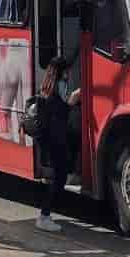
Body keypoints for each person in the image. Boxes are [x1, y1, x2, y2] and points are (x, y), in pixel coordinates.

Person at [36, 55, 81, 234]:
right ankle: (44, 217)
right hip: (55, 140)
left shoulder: (49, 87)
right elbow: (60, 112)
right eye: (67, 71)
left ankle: (45, 215)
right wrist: (73, 99)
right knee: (58, 178)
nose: (69, 74)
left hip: (52, 139)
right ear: (62, 72)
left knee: (59, 176)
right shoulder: (56, 89)